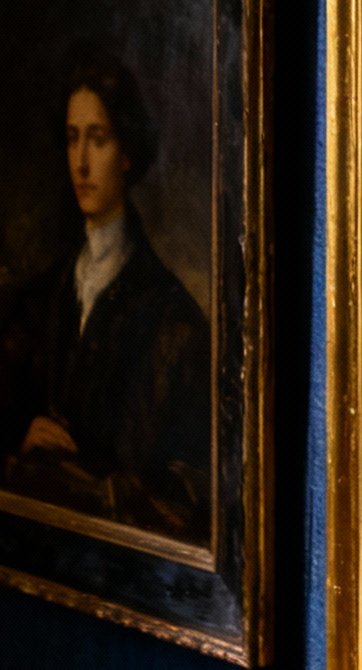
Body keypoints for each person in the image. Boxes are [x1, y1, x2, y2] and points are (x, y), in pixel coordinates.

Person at [0, 50, 211, 542]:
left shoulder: (173, 320)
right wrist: (21, 435)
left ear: (127, 152)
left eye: (98, 139)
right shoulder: (41, 296)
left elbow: (188, 494)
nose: (81, 162)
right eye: (73, 138)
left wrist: (97, 489)